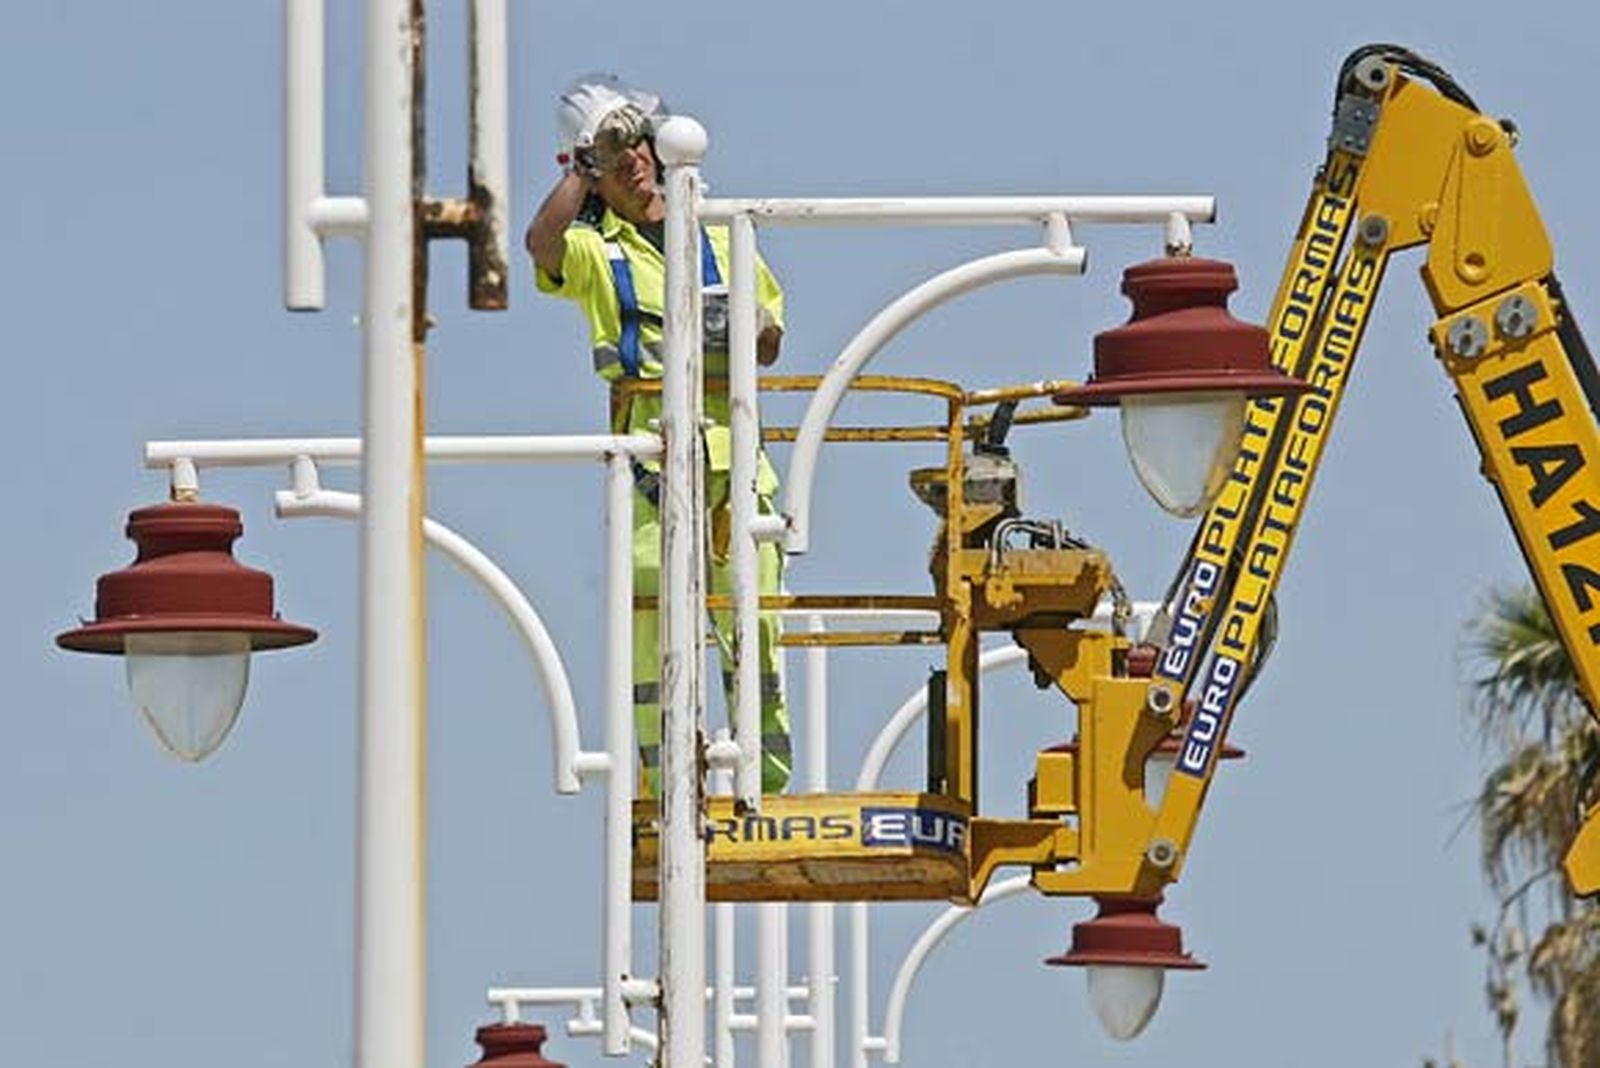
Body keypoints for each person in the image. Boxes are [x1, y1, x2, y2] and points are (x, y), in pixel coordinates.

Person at [526, 75, 791, 797]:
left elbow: (771, 339)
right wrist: (584, 167)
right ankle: (664, 783)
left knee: (754, 620)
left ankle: (764, 782)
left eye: (638, 143)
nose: (634, 160)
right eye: (615, 155)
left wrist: (746, 328)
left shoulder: (721, 234)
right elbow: (541, 246)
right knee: (652, 626)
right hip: (650, 460)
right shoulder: (596, 251)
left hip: (735, 455)